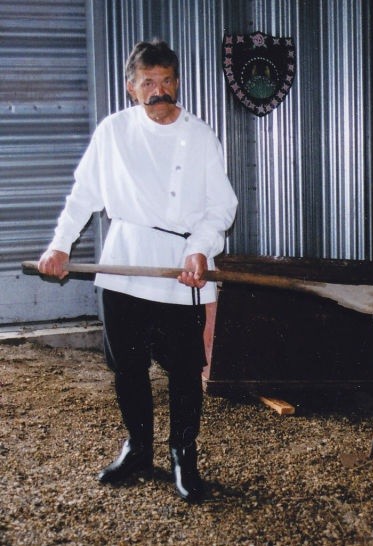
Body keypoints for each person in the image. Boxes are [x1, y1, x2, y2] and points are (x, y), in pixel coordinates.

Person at [37, 39, 238, 503]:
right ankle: (138, 448)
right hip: (124, 263)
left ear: (177, 82)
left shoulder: (201, 136)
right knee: (127, 367)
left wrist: (200, 251)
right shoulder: (112, 132)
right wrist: (59, 246)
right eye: (149, 82)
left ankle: (183, 455)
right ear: (132, 87)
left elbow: (220, 207)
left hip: (179, 268)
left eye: (166, 80)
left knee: (185, 370)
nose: (159, 91)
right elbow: (83, 195)